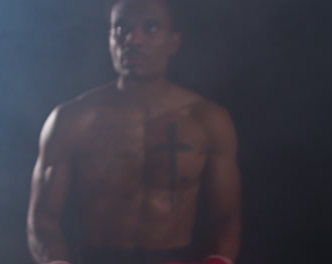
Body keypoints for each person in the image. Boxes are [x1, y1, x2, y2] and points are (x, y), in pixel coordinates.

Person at [27, 0, 241, 264]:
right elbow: (43, 218)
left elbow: (227, 218)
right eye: (121, 28)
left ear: (173, 43)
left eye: (150, 28)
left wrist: (218, 261)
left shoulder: (208, 121)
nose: (133, 39)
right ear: (110, 40)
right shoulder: (72, 119)